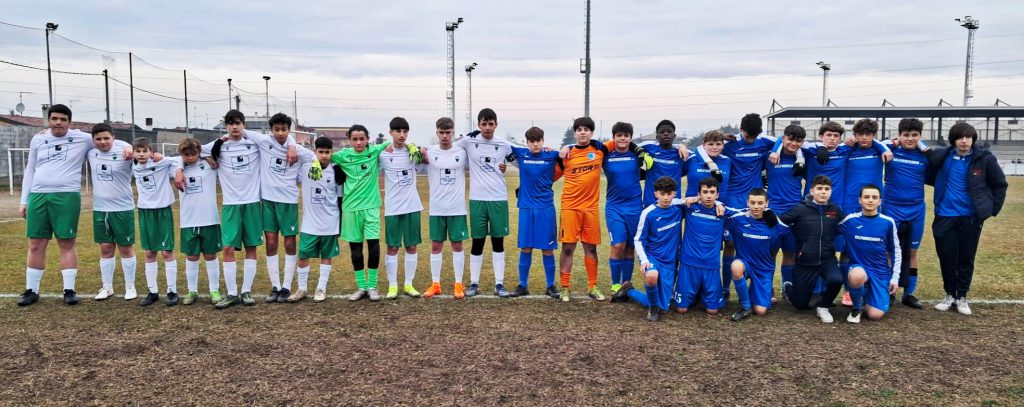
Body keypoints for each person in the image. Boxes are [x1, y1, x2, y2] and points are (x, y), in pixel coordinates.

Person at [18, 104, 132, 307]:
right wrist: (24, 200)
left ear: (69, 122)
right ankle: (31, 290)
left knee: (66, 242)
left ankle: (69, 290)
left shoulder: (82, 138)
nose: (58, 122)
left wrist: (128, 147)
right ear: (48, 120)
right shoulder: (38, 138)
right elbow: (30, 169)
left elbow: (106, 138)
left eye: (63, 119)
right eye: (54, 119)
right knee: (36, 243)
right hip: (38, 195)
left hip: (67, 196)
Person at [197, 110, 296, 309]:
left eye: (238, 123)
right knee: (228, 248)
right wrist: (208, 158)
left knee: (251, 247)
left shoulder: (255, 143)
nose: (234, 127)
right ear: (226, 126)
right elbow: (194, 149)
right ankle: (232, 293)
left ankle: (246, 291)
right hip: (230, 204)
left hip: (253, 203)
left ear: (244, 125)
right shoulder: (219, 145)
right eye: (230, 124)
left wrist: (292, 144)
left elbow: (281, 136)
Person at [926, 123, 1007, 315]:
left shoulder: (984, 159)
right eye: (960, 137)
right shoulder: (942, 157)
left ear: (973, 139)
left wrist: (991, 210)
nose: (964, 141)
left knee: (966, 258)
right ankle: (949, 294)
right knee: (946, 257)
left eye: (968, 137)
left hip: (970, 217)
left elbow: (1000, 185)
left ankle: (962, 297)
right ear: (953, 140)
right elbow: (925, 165)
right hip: (945, 215)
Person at [455, 108, 513, 297]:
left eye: (491, 124)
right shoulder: (469, 141)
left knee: (498, 242)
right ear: (478, 124)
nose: (487, 127)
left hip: (498, 199)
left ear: (496, 124)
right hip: (477, 200)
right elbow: (447, 146)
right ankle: (474, 283)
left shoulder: (504, 144)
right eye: (484, 124)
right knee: (477, 242)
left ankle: (499, 284)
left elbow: (521, 157)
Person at [258, 113, 312, 303]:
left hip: (288, 201)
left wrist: (292, 146)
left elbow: (315, 158)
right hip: (268, 201)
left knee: (289, 242)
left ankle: (286, 286)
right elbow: (239, 132)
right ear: (271, 130)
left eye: (284, 129)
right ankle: (275, 286)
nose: (280, 133)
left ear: (289, 130)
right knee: (271, 242)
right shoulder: (264, 142)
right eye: (277, 129)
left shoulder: (298, 150)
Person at [778, 175, 846, 324]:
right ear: (811, 191)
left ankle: (823, 306)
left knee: (837, 279)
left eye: (827, 189)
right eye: (819, 188)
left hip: (827, 259)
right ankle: (788, 286)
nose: (823, 192)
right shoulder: (800, 209)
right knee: (801, 305)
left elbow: (849, 225)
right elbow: (779, 222)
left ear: (831, 191)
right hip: (805, 262)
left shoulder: (835, 210)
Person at [332, 124, 388, 302]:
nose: (358, 142)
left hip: (371, 207)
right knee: (355, 250)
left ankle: (372, 286)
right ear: (349, 140)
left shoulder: (375, 151)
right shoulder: (342, 155)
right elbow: (320, 155)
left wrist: (413, 147)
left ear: (368, 139)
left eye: (362, 139)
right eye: (355, 139)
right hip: (350, 208)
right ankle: (361, 286)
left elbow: (393, 142)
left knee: (374, 247)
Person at [556, 117, 608, 301]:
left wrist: (679, 146)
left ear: (592, 132)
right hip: (570, 208)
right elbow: (549, 176)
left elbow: (624, 142)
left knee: (591, 249)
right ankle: (564, 288)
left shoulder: (600, 149)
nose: (583, 132)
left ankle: (592, 287)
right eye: (579, 129)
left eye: (587, 129)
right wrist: (565, 147)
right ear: (575, 133)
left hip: (591, 209)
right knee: (568, 248)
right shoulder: (566, 155)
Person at [881, 118, 930, 309]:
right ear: (899, 135)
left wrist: (924, 147)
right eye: (906, 135)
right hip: (891, 208)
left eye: (914, 135)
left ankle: (909, 293)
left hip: (916, 209)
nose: (910, 139)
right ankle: (888, 291)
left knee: (912, 252)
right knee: (888, 251)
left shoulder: (925, 156)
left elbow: (938, 158)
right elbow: (878, 144)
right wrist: (892, 143)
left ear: (920, 136)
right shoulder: (889, 150)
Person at [507, 127, 561, 298]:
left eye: (538, 141)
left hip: (545, 208)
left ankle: (550, 286)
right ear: (527, 142)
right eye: (532, 141)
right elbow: (501, 144)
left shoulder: (552, 155)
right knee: (526, 248)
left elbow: (570, 153)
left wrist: (564, 148)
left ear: (543, 141)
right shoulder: (521, 154)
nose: (536, 144)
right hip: (526, 207)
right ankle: (522, 285)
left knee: (547, 249)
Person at [289, 137, 345, 302]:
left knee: (326, 256)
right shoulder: (306, 167)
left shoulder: (337, 171)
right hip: (310, 223)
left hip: (330, 222)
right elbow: (293, 147)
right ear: (315, 151)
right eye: (321, 152)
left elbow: (340, 199)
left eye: (327, 152)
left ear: (332, 152)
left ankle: (321, 288)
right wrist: (312, 158)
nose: (324, 155)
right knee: (303, 255)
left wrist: (340, 224)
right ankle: (302, 289)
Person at [86, 123, 137, 301]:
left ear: (113, 137)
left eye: (106, 138)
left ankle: (130, 286)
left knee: (125, 248)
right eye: (98, 139)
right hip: (100, 209)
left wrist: (129, 146)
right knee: (106, 248)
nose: (103, 142)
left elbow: (144, 153)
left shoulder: (125, 152)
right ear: (93, 140)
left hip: (123, 208)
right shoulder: (91, 152)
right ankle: (107, 287)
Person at [838, 184, 902, 323]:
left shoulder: (888, 222)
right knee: (857, 275)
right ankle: (856, 309)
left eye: (874, 197)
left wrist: (895, 278)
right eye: (866, 197)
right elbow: (828, 228)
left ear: (880, 201)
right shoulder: (850, 220)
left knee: (875, 315)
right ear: (860, 200)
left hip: (880, 271)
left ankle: (866, 294)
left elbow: (895, 251)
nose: (870, 200)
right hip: (858, 267)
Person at [422, 118, 469, 299]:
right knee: (436, 245)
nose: (444, 136)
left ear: (453, 133)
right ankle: (436, 284)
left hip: (457, 208)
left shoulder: (462, 152)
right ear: (437, 133)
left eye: (448, 132)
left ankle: (458, 283)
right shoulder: (429, 151)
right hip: (437, 208)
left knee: (457, 245)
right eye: (441, 132)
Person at [683, 130, 732, 301]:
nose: (714, 147)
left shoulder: (727, 161)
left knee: (715, 249)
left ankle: (719, 289)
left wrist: (718, 203)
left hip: (717, 212)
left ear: (723, 145)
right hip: (693, 212)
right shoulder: (692, 159)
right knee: (692, 247)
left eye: (718, 144)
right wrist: (680, 145)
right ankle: (689, 288)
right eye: (710, 144)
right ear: (704, 145)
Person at [380, 117, 426, 300]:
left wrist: (419, 149)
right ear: (390, 132)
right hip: (392, 208)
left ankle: (408, 284)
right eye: (398, 131)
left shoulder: (413, 153)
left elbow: (429, 157)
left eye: (405, 131)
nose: (402, 135)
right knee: (392, 247)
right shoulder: (383, 154)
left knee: (411, 246)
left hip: (412, 206)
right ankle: (392, 285)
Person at [675, 177, 735, 315]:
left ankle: (701, 293)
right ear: (699, 193)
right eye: (705, 192)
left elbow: (745, 211)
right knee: (681, 309)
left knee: (712, 311)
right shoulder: (690, 207)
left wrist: (719, 204)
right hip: (689, 263)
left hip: (711, 264)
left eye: (712, 192)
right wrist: (689, 199)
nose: (708, 196)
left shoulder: (723, 211)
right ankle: (630, 290)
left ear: (717, 194)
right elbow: (668, 201)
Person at [132, 137, 180, 306]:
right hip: (145, 211)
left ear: (151, 152)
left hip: (163, 211)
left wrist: (162, 156)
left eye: (145, 151)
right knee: (149, 252)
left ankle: (172, 291)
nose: (141, 154)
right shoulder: (132, 165)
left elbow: (179, 159)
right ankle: (152, 291)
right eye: (138, 151)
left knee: (167, 252)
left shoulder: (160, 162)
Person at [727, 189, 788, 321]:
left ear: (767, 203)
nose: (756, 206)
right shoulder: (738, 218)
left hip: (763, 269)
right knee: (736, 266)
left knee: (760, 311)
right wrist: (694, 199)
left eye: (760, 203)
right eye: (753, 202)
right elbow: (718, 207)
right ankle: (746, 306)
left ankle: (752, 294)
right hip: (745, 263)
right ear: (747, 203)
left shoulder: (775, 222)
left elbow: (791, 229)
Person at [176, 138, 223, 305]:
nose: (190, 157)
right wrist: (179, 168)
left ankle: (214, 290)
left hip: (209, 219)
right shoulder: (176, 168)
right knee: (192, 256)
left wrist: (204, 156)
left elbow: (215, 144)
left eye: (193, 154)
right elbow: (162, 158)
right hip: (188, 221)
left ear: (199, 152)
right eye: (186, 155)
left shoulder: (210, 165)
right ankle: (192, 290)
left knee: (210, 255)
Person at [603, 122, 645, 299]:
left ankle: (626, 285)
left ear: (630, 138)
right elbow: (586, 148)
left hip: (635, 207)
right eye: (619, 135)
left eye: (626, 135)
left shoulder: (637, 155)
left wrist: (681, 146)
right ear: (613, 137)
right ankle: (615, 285)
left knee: (629, 247)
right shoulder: (606, 156)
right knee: (617, 245)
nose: (622, 138)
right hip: (614, 207)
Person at [633, 176, 684, 322]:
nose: (666, 198)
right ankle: (653, 308)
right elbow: (638, 240)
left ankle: (629, 290)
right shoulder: (648, 213)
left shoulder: (678, 207)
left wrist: (718, 203)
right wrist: (644, 260)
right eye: (662, 194)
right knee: (652, 276)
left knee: (664, 305)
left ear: (674, 194)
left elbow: (698, 200)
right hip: (652, 257)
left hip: (670, 261)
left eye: (669, 194)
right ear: (656, 194)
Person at [764, 125, 807, 293]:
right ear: (783, 139)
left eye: (798, 141)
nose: (794, 143)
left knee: (790, 252)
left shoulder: (804, 158)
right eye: (790, 139)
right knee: (771, 252)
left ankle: (787, 288)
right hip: (773, 210)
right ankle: (767, 289)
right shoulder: (770, 157)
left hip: (795, 211)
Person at [639, 120, 690, 206]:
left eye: (669, 132)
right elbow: (628, 145)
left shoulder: (682, 153)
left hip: (673, 205)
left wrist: (681, 146)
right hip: (651, 204)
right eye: (662, 132)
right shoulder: (649, 147)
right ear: (657, 136)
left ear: (674, 136)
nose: (666, 134)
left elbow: (699, 152)